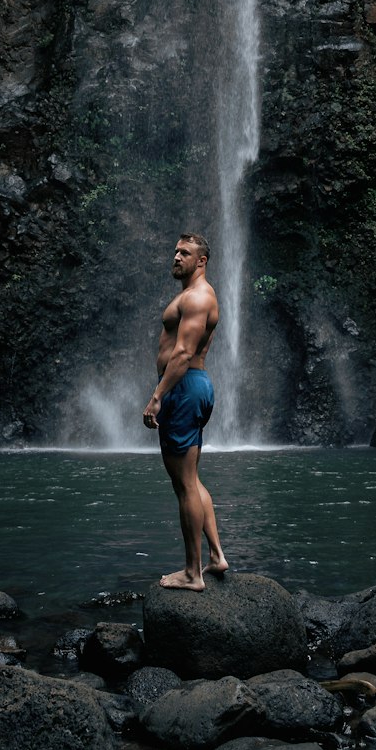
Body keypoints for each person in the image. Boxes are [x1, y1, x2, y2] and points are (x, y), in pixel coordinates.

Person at [142, 232, 229, 590]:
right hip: (194, 387)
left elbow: (181, 353)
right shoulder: (195, 295)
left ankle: (193, 574)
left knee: (183, 485)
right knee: (191, 479)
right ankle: (216, 557)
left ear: (202, 260)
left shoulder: (197, 297)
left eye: (185, 253)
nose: (176, 257)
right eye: (175, 251)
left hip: (183, 387)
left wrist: (158, 395)